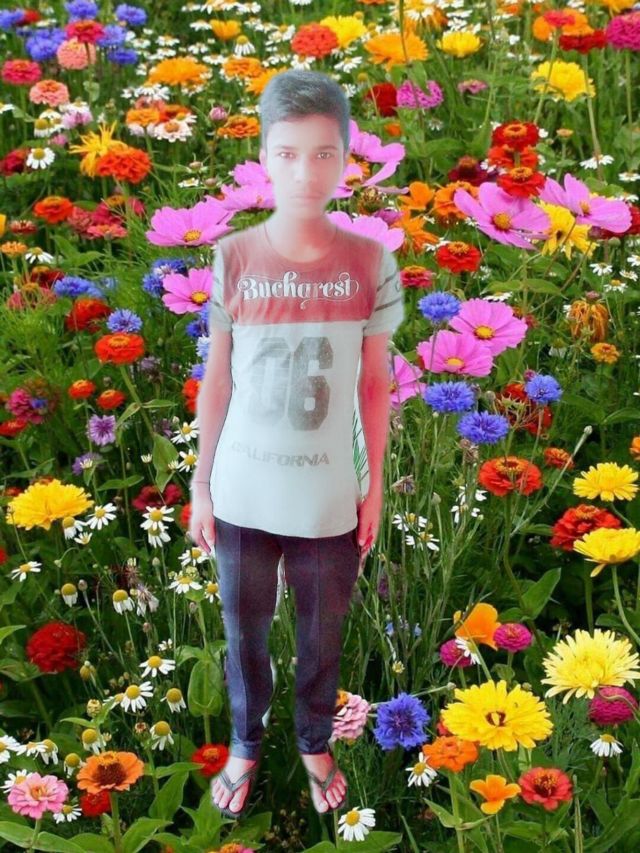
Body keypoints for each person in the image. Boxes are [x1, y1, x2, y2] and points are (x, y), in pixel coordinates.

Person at [188, 69, 404, 819]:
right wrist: (201, 485)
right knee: (243, 630)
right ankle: (246, 741)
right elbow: (217, 381)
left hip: (327, 493)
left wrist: (374, 485)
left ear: (345, 159)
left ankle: (315, 739)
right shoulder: (234, 257)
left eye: (322, 154)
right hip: (244, 488)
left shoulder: (370, 262)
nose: (305, 172)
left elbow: (373, 385)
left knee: (322, 631)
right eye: (287, 153)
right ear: (264, 158)